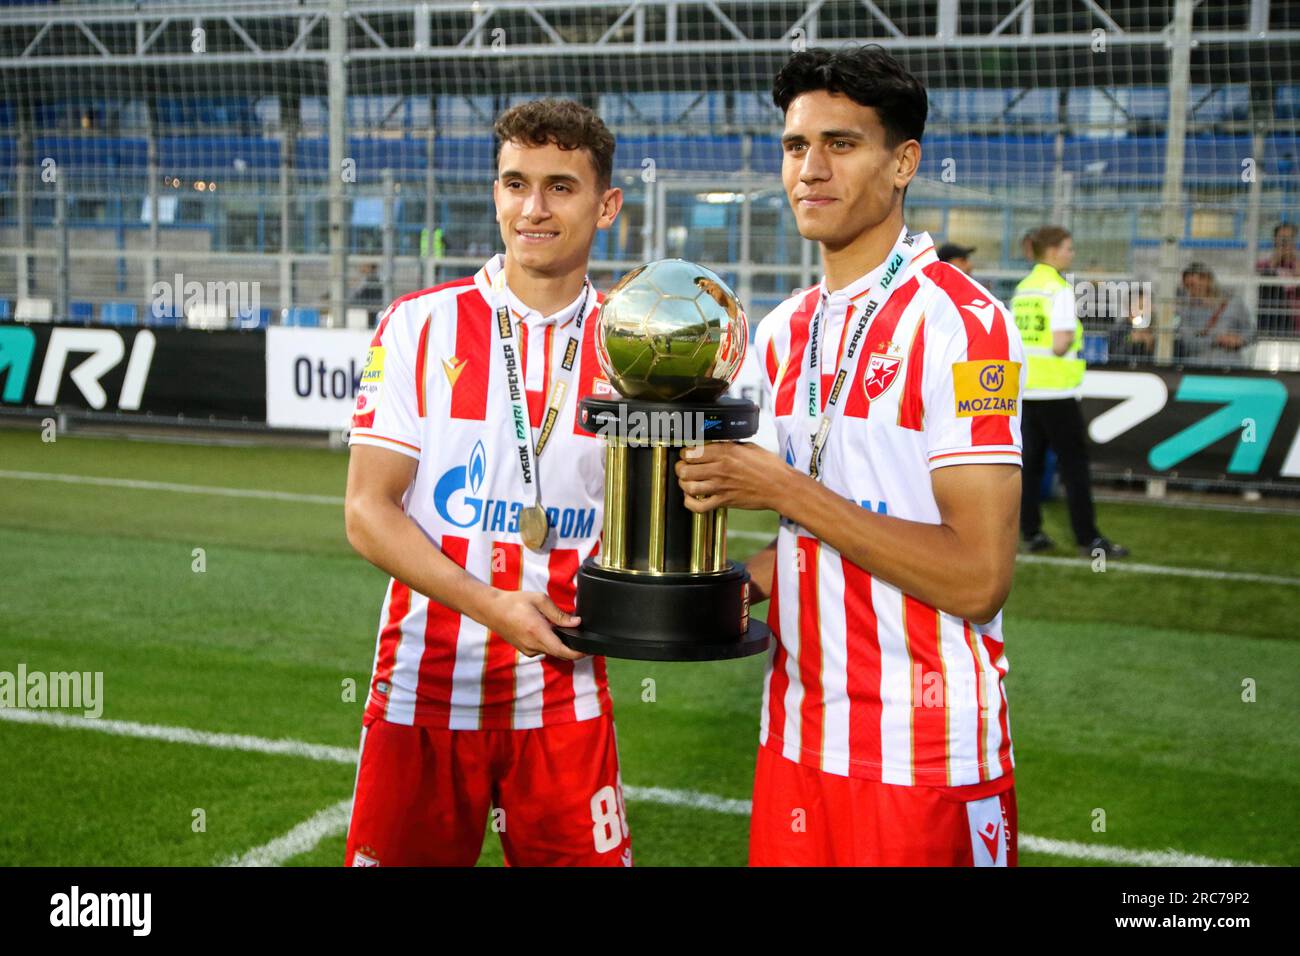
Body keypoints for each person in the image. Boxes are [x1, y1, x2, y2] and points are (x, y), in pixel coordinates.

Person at [677, 44, 1022, 866]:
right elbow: (809, 546)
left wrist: (786, 489)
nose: (811, 169)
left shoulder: (962, 326)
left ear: (903, 162)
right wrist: (698, 596)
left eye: (842, 144)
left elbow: (976, 579)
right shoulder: (783, 328)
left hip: (923, 752)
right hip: (798, 737)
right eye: (796, 146)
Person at [342, 98, 632, 867]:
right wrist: (492, 606)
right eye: (515, 183)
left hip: (563, 698)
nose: (532, 208)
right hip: (422, 694)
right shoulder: (417, 325)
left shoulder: (637, 349)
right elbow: (368, 514)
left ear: (607, 205)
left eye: (560, 187)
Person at [1013, 225, 1127, 558]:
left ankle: (1030, 532)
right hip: (1057, 393)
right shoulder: (1058, 290)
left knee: (1029, 467)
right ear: (1052, 251)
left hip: (1027, 391)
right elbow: (1061, 344)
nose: (1071, 254)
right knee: (1074, 467)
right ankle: (1088, 539)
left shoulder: (1024, 289)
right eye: (1068, 248)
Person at [1176, 262, 1255, 366]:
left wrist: (1239, 340)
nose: (1191, 290)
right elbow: (1187, 342)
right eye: (1187, 286)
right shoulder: (1185, 310)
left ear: (1208, 280)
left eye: (1193, 284)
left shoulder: (1233, 303)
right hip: (1196, 367)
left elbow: (1252, 332)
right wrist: (1216, 339)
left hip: (1231, 366)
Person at [1255, 222, 1300, 335]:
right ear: (1275, 240)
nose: (1286, 243)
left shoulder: (1298, 265)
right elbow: (1259, 283)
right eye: (1282, 239)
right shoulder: (1264, 264)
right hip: (1274, 319)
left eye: (1289, 239)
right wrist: (1275, 260)